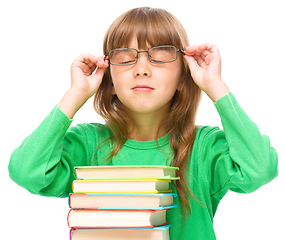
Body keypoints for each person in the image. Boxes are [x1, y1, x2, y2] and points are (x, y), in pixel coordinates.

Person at [8, 7, 278, 240]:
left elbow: (260, 169)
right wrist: (74, 95)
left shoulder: (204, 148)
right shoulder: (88, 144)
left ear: (184, 78)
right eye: (125, 58)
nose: (141, 68)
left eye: (160, 56)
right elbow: (27, 172)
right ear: (109, 79)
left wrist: (216, 86)